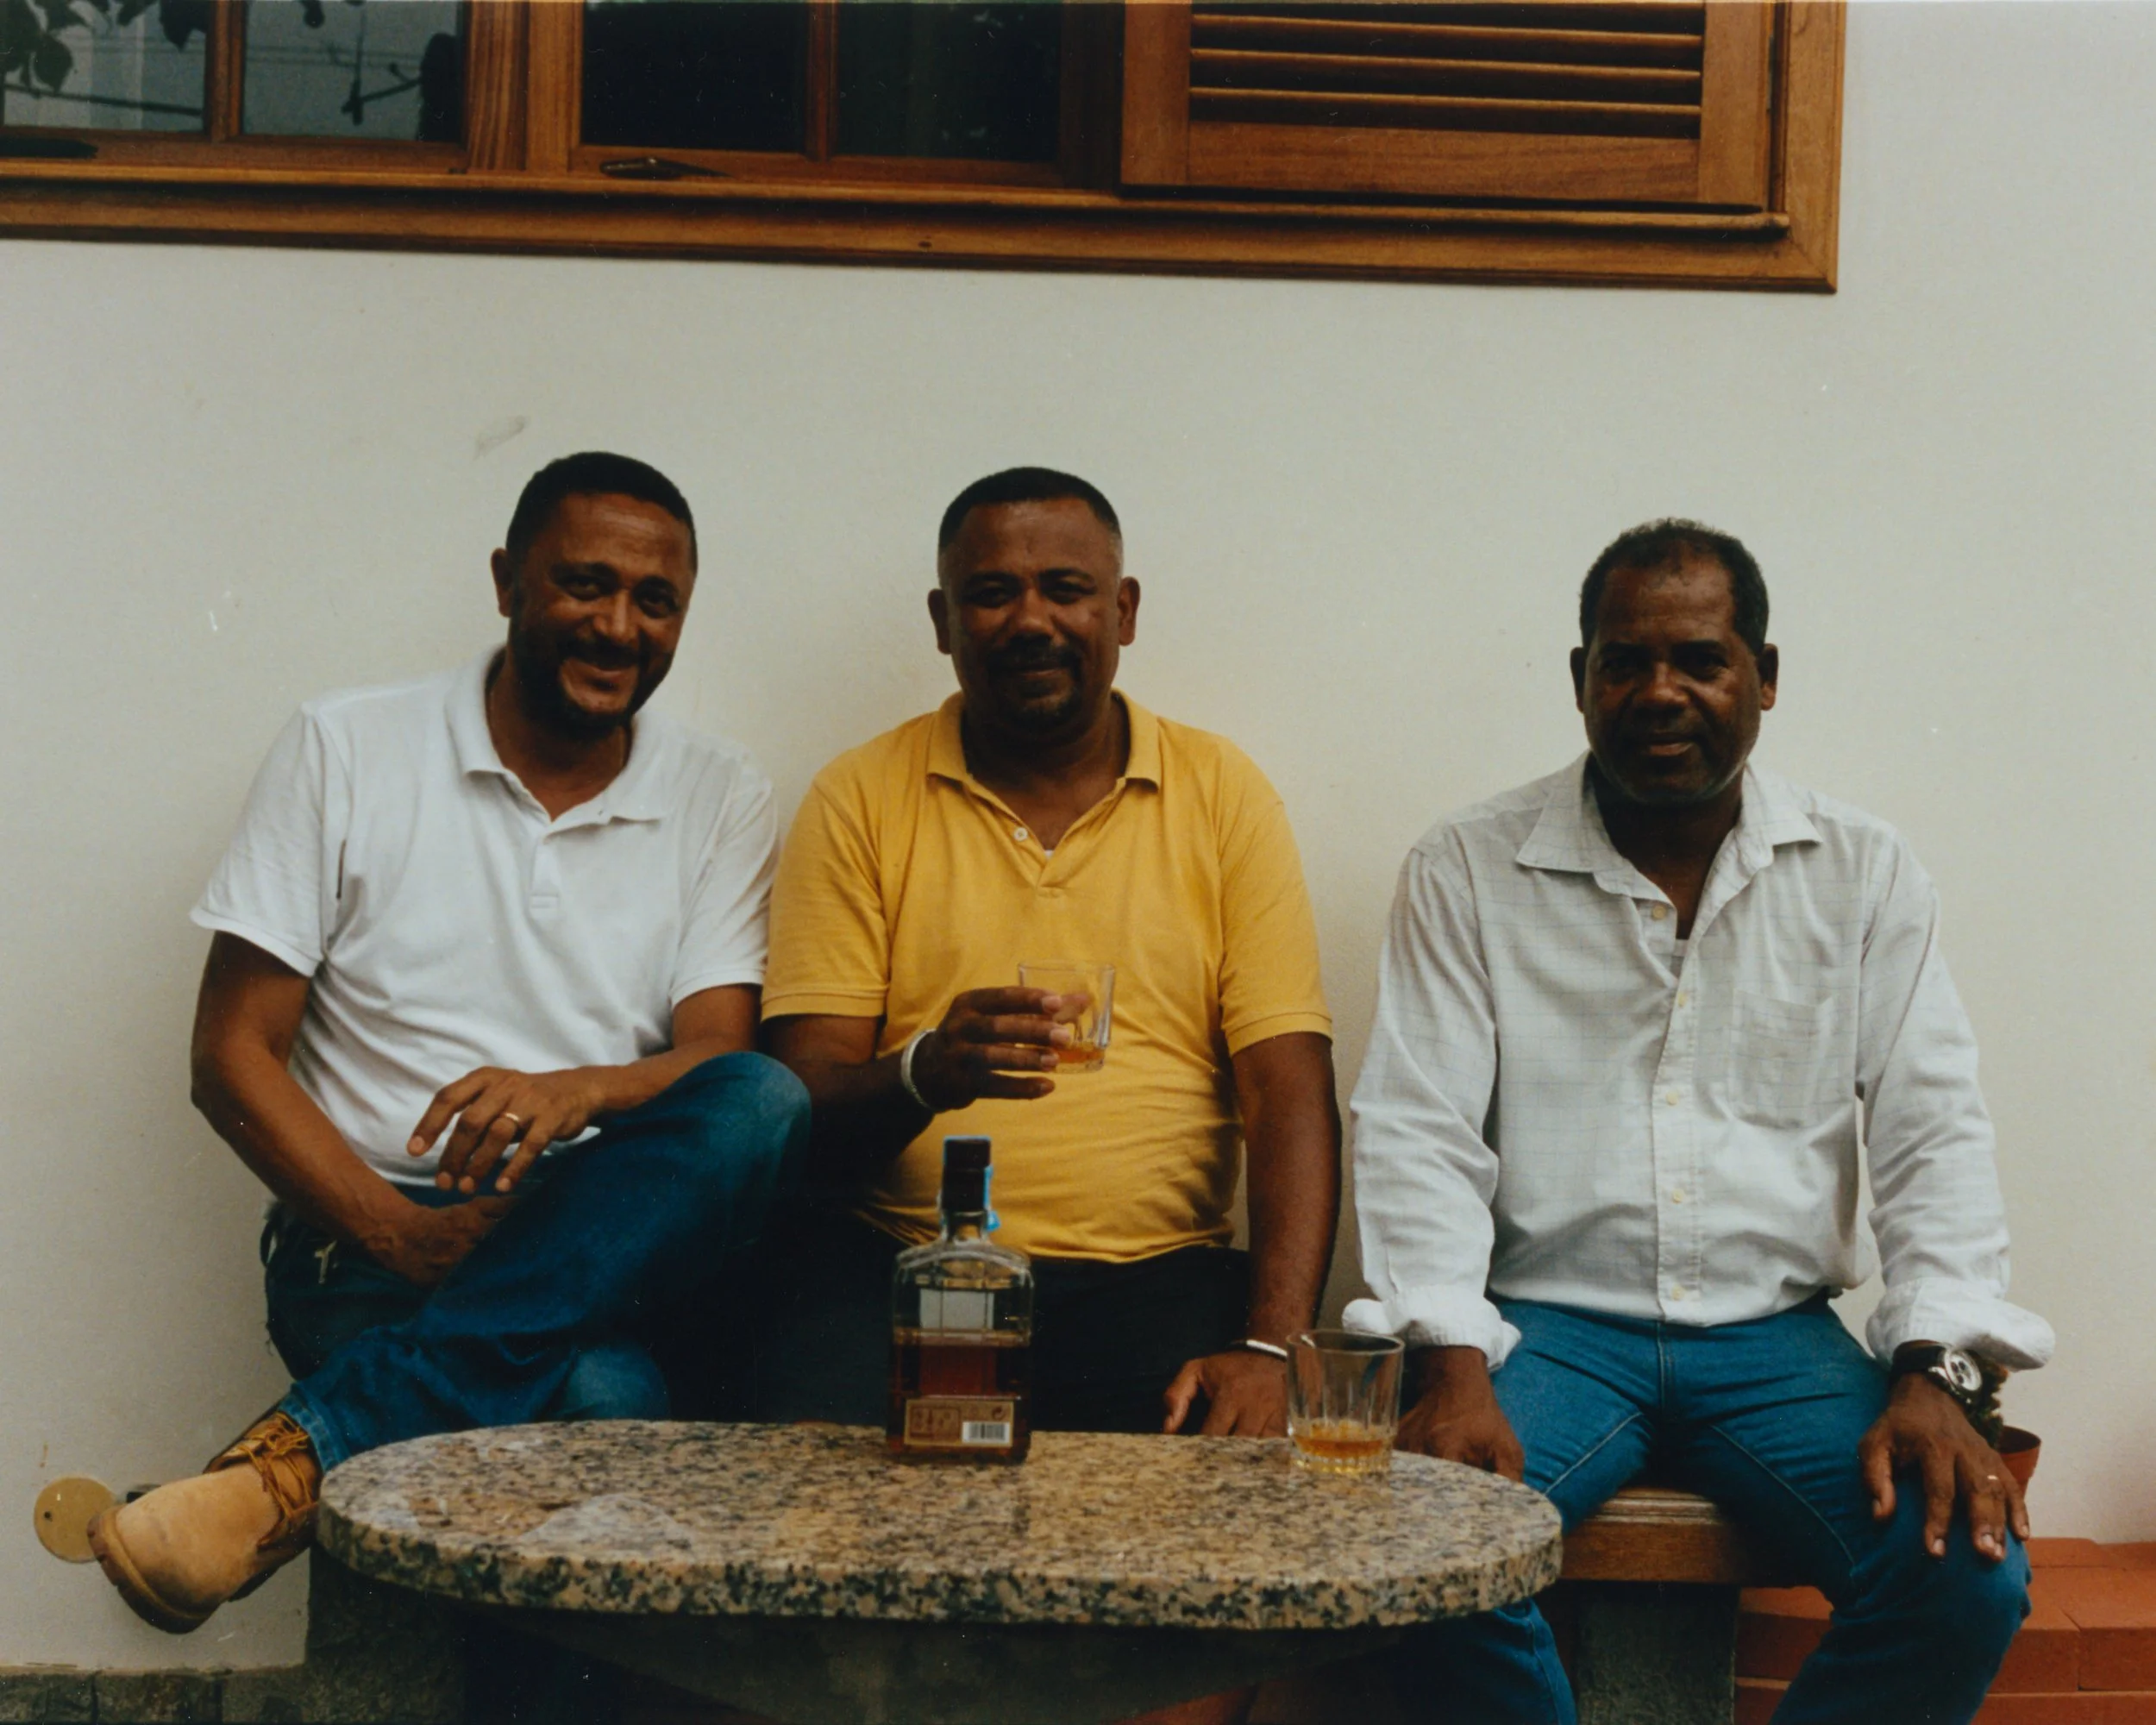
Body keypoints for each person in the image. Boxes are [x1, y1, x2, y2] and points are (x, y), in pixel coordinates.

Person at [1347, 520, 2053, 1725]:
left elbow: (1933, 1134)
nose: (1659, 691)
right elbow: (1419, 1129)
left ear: (1763, 678)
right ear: (1581, 681)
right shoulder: (1469, 866)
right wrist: (1449, 1364)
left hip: (1777, 1346)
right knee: (1420, 1554)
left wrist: (1934, 1368)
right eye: (1625, 661)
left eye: (1701, 660)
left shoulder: (1862, 871)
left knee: (1964, 1573)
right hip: (1548, 1337)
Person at [90, 452, 809, 1634]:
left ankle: (284, 1471)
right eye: (585, 584)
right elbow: (229, 1055)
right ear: (505, 581)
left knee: (764, 1098)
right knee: (607, 1399)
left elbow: (713, 1064)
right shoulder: (346, 745)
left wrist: (576, 1091)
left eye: (656, 600)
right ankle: (310, 1458)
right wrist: (405, 1235)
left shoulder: (719, 789)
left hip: (599, 1227)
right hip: (365, 1241)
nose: (619, 624)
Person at [755, 466, 1340, 1441]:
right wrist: (923, 1072)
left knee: (1199, 1529)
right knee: (814, 1497)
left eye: (1065, 589)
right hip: (902, 1263)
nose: (1031, 620)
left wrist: (1276, 1344)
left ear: (1124, 610)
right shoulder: (860, 794)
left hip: (1157, 1277)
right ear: (944, 621)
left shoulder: (1221, 793)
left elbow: (1286, 1089)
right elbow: (796, 1106)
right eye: (992, 594)